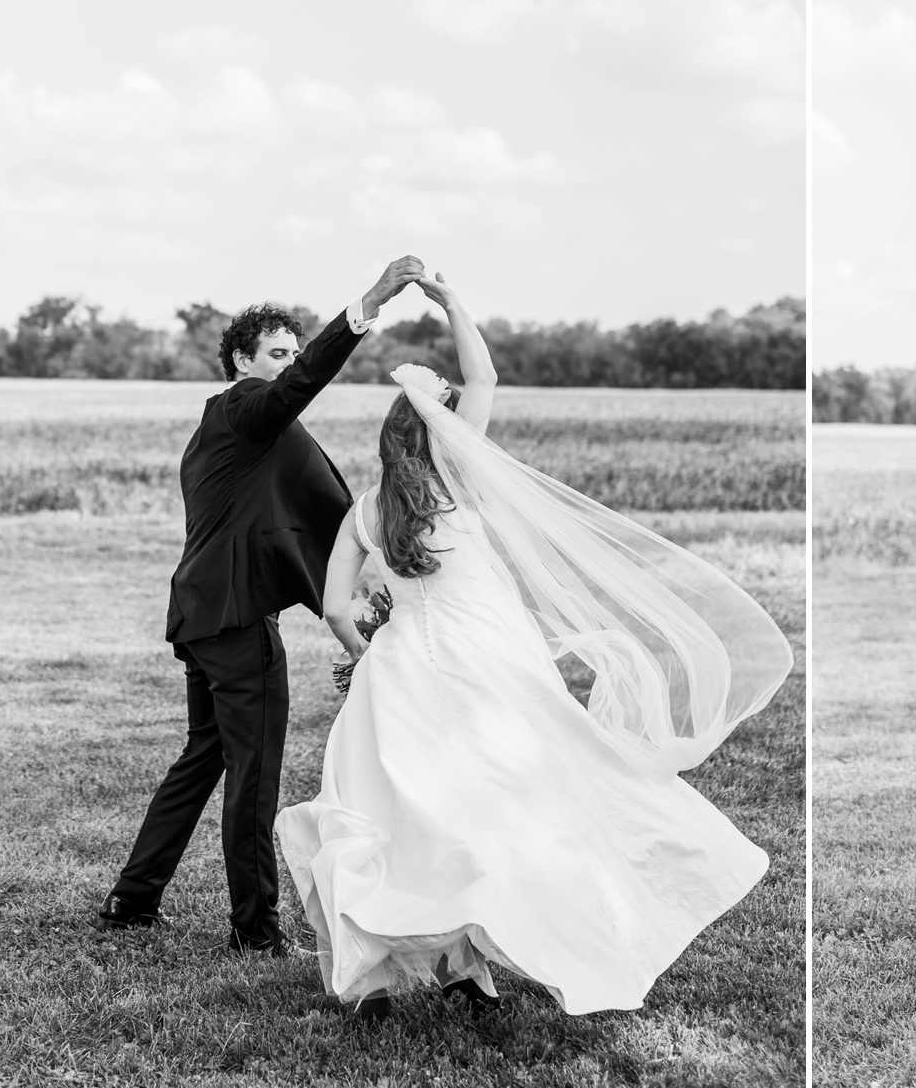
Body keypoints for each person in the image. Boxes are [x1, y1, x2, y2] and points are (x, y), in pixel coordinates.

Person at [275, 272, 793, 1019]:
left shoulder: (364, 512)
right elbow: (483, 374)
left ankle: (382, 977)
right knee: (494, 804)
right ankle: (470, 971)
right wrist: (451, 303)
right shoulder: (461, 483)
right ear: (441, 431)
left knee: (397, 815)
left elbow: (332, 606)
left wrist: (365, 654)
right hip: (485, 662)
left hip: (401, 673)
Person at [97, 255, 431, 951]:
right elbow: (294, 396)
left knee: (204, 758)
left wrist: (364, 588)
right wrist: (366, 305)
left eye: (292, 354)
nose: (288, 366)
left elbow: (298, 515)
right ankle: (254, 929)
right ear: (243, 362)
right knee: (255, 778)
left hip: (203, 615)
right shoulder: (245, 408)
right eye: (276, 354)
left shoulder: (239, 434)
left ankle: (133, 897)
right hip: (236, 620)